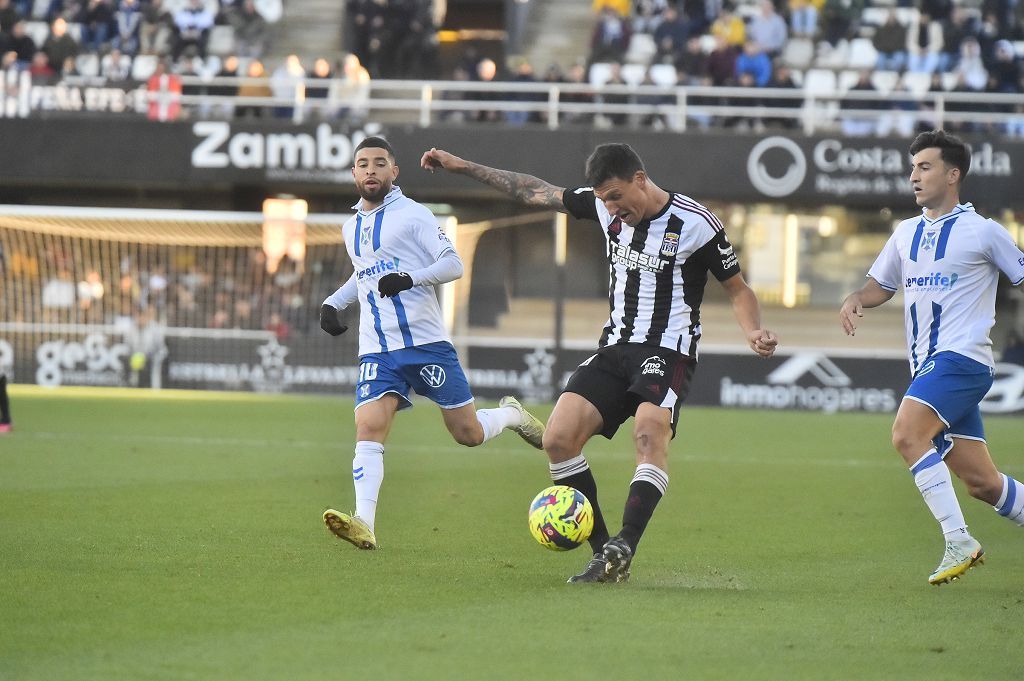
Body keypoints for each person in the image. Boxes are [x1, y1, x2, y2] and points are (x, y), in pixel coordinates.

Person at [421, 143, 779, 583]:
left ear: (640, 180)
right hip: (614, 348)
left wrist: (753, 331)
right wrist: (463, 167)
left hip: (668, 350)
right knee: (557, 439)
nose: (610, 208)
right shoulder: (603, 206)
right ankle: (605, 555)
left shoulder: (695, 224)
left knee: (648, 434)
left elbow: (738, 289)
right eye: (603, 200)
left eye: (615, 197)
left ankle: (626, 541)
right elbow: (534, 191)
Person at [319, 137, 546, 551]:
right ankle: (363, 522)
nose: (370, 170)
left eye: (379, 163)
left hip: (426, 345)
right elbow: (364, 273)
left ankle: (512, 416)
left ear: (394, 172)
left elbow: (453, 263)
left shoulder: (413, 215)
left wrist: (410, 278)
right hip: (377, 348)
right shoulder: (351, 226)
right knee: (368, 427)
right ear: (353, 173)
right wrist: (334, 303)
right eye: (362, 164)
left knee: (468, 433)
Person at [839, 130, 1024, 586]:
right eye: (913, 167)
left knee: (906, 435)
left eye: (925, 167)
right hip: (927, 366)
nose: (914, 176)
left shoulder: (983, 231)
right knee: (983, 483)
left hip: (962, 359)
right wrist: (855, 298)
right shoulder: (906, 232)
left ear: (953, 174)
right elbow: (882, 285)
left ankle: (958, 539)